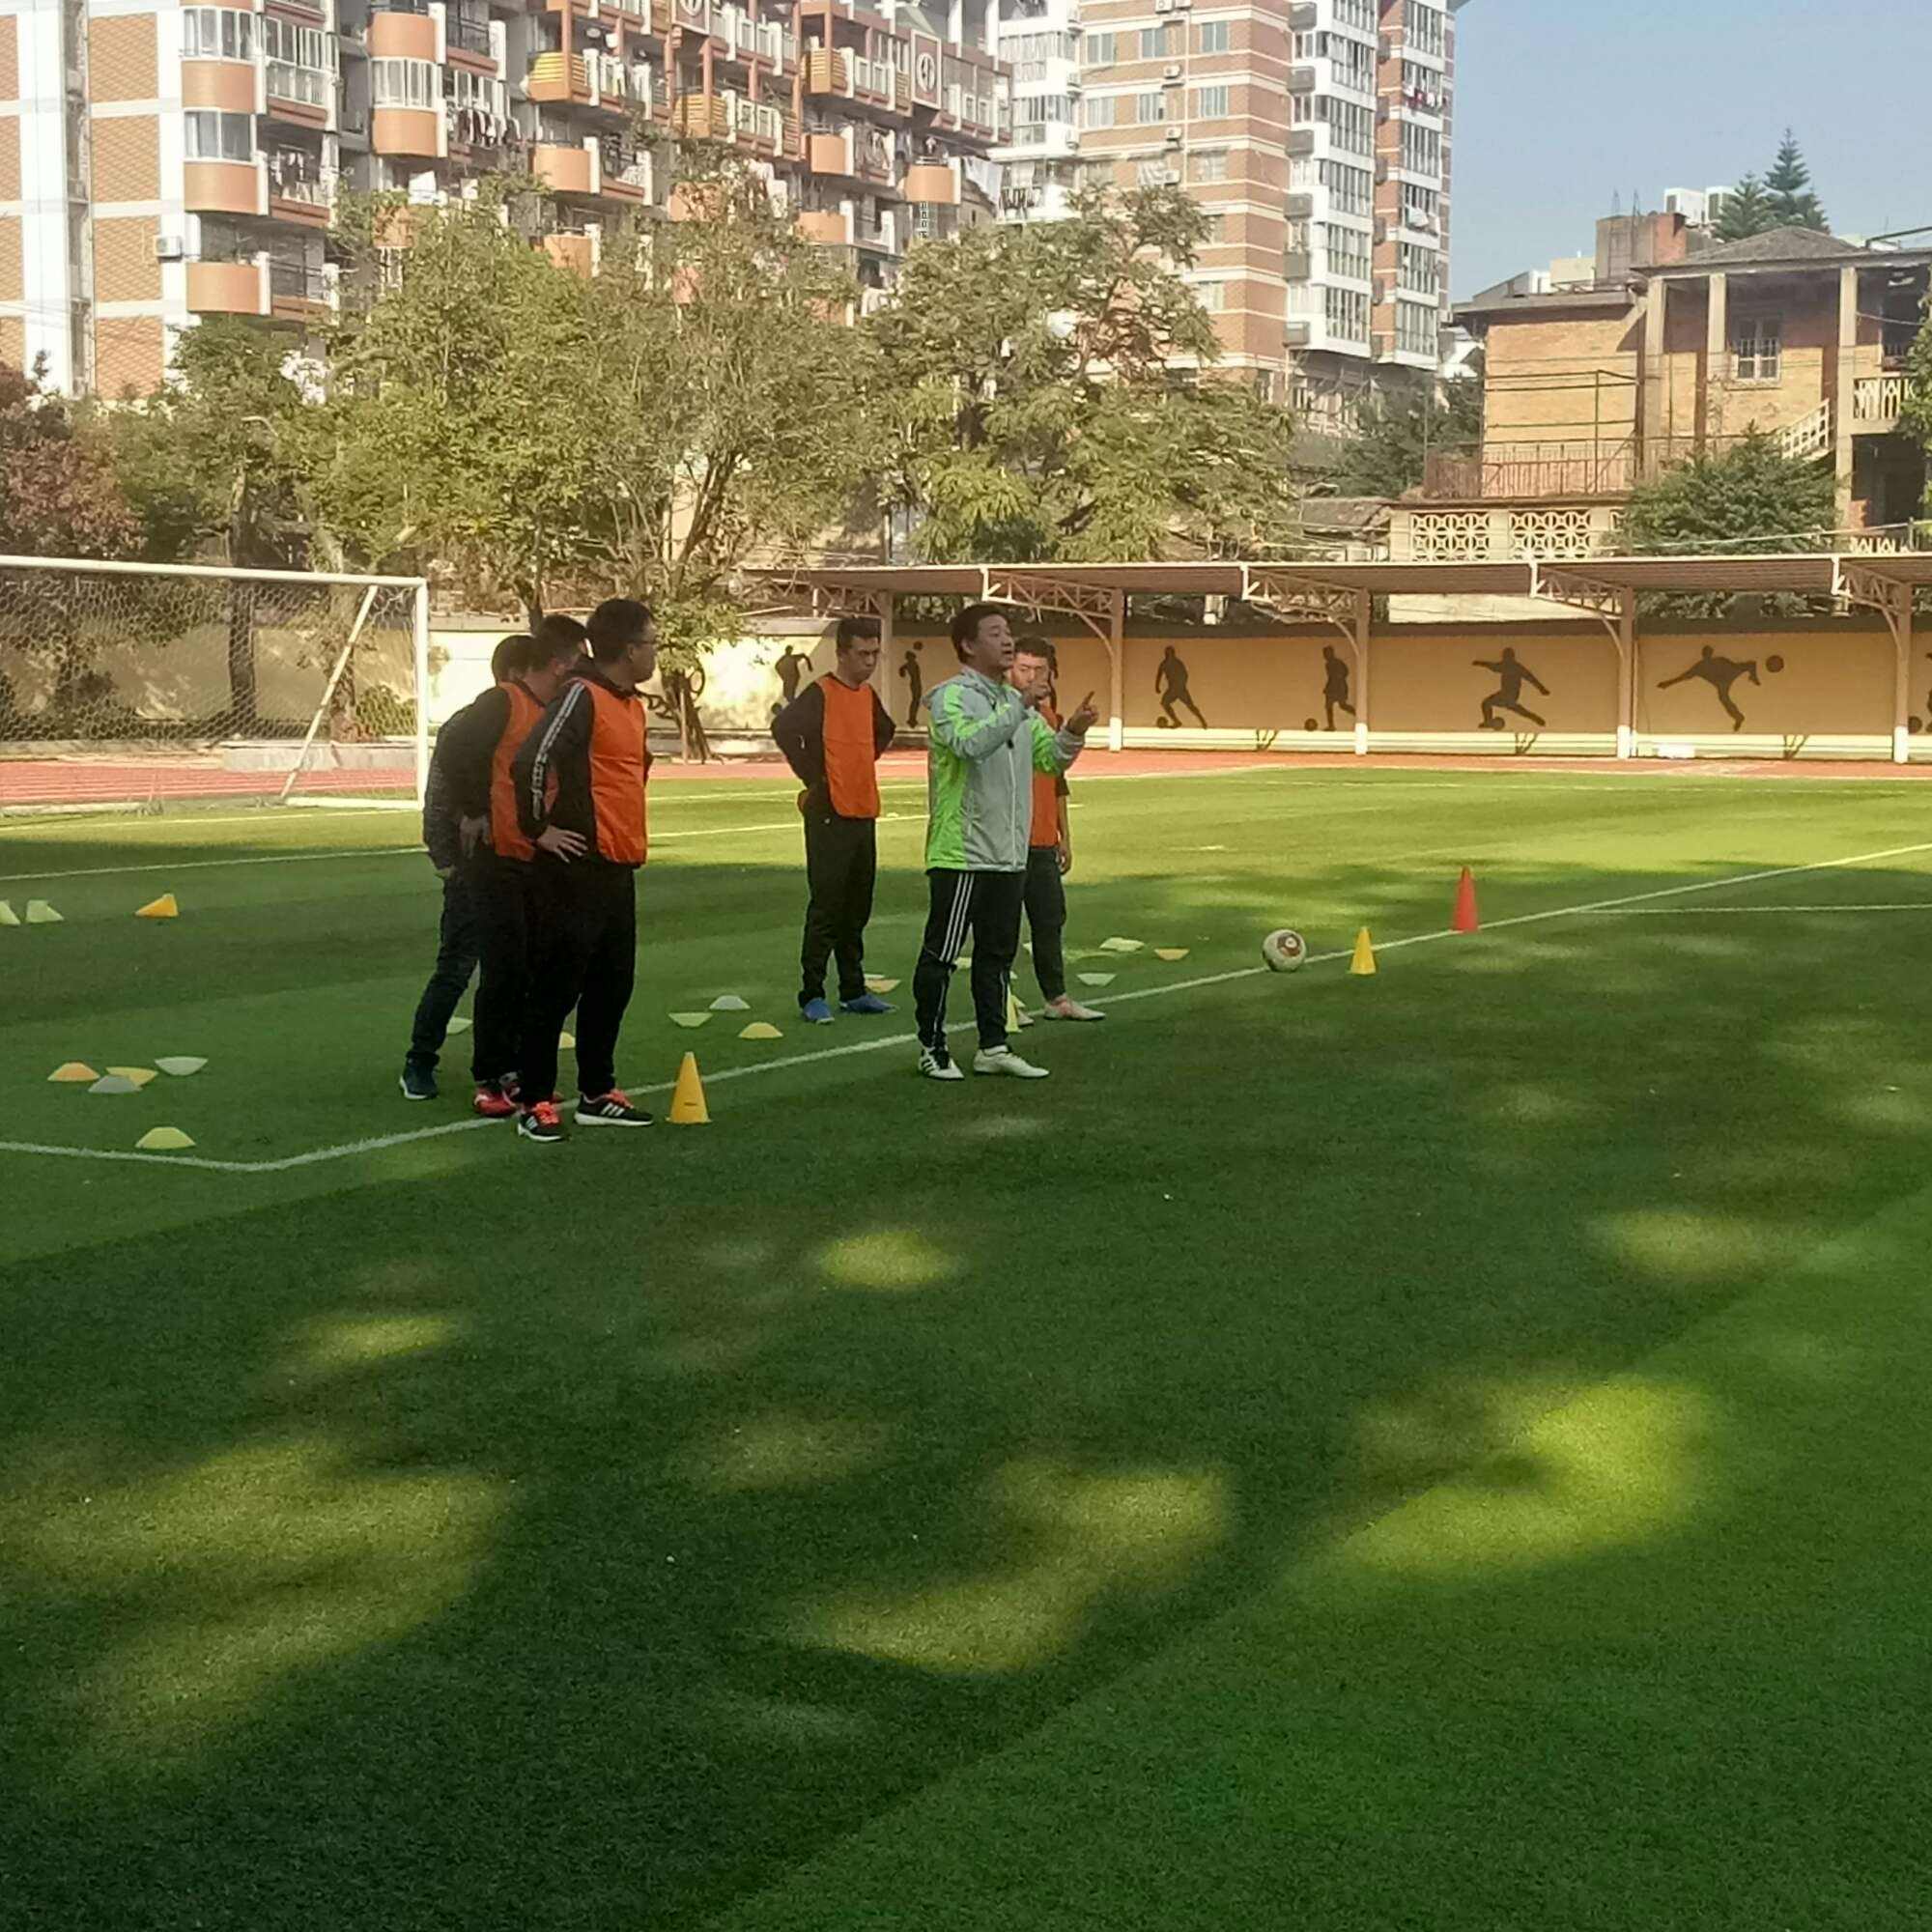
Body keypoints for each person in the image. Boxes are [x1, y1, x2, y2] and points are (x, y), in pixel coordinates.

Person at [913, 603, 1097, 1082]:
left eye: (1009, 632)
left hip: (1008, 853)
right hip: (962, 852)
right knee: (944, 953)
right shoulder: (952, 698)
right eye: (995, 633)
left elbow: (1050, 759)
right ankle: (932, 1046)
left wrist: (1074, 729)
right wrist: (1020, 706)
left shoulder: (1015, 702)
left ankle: (993, 1044)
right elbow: (970, 745)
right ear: (968, 646)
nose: (1008, 640)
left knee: (997, 954)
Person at [510, 598, 658, 1145]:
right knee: (555, 987)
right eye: (651, 644)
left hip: (618, 865)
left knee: (612, 984)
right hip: (575, 867)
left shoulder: (631, 705)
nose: (655, 654)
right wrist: (537, 828)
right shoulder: (581, 695)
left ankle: (597, 1092)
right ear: (627, 649)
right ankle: (535, 1100)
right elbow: (531, 758)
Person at [428, 613, 588, 1116]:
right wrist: (474, 811)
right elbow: (453, 746)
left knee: (532, 968)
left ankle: (519, 1068)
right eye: (578, 661)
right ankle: (489, 1076)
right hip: (496, 857)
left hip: (535, 857)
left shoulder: (555, 710)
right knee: (502, 968)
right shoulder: (504, 702)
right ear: (559, 663)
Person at [400, 633, 530, 1102]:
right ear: (518, 674)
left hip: (513, 864)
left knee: (512, 969)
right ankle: (420, 1060)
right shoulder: (472, 724)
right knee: (457, 965)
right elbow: (439, 796)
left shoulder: (527, 722)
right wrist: (447, 860)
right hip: (473, 866)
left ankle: (509, 1064)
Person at [773, 616, 899, 1024]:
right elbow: (784, 728)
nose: (869, 661)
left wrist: (859, 764)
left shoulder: (867, 696)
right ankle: (812, 992)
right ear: (842, 653)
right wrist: (817, 777)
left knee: (857, 906)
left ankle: (853, 988)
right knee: (826, 904)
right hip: (829, 811)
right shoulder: (821, 693)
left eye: (874, 653)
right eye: (862, 654)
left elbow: (886, 730)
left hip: (863, 808)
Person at [1011, 638, 1104, 1024]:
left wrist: (1064, 835)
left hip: (1043, 840)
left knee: (1050, 919)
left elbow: (1056, 779)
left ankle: (1056, 997)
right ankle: (1002, 999)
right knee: (998, 928)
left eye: (1040, 670)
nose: (1033, 677)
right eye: (1024, 668)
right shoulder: (1003, 714)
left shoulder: (1049, 718)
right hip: (1007, 840)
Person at [1658, 643, 1760, 732]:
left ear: (1710, 654)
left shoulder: (1717, 661)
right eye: (1706, 653)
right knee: (1724, 698)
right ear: (1704, 655)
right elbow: (1684, 676)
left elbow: (1738, 665)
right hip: (1722, 682)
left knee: (1749, 666)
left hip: (1727, 676)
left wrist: (1750, 674)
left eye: (1708, 653)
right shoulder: (1700, 666)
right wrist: (1668, 683)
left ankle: (1752, 677)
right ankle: (1739, 718)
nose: (1707, 655)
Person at [1475, 646, 1549, 729]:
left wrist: (1542, 689)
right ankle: (1537, 719)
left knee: (1487, 703)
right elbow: (1493, 666)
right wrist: (1480, 663)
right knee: (1518, 710)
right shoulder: (1509, 666)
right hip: (1509, 695)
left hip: (1507, 694)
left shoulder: (1514, 667)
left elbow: (1530, 678)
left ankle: (1488, 721)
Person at [1155, 644, 1208, 728]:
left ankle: (1202, 721)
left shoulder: (1178, 663)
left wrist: (1181, 684)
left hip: (1179, 688)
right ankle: (1177, 721)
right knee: (1165, 703)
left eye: (1170, 653)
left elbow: (1185, 674)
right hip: (1172, 688)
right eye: (1167, 653)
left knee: (1190, 705)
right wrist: (1157, 687)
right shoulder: (1164, 664)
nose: (1169, 655)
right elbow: (1159, 675)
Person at [1321, 643, 1357, 733]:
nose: (1325, 656)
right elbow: (1331, 677)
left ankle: (1359, 716)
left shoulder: (1337, 663)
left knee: (1342, 705)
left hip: (1339, 687)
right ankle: (1331, 725)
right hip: (1333, 687)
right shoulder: (1328, 664)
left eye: (1327, 653)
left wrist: (1338, 679)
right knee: (1329, 706)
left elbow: (1345, 672)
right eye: (1325, 654)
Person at [898, 646, 924, 729]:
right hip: (915, 683)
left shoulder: (910, 664)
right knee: (915, 701)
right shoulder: (911, 664)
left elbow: (902, 670)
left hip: (916, 683)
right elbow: (902, 670)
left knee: (916, 701)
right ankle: (912, 718)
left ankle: (912, 718)